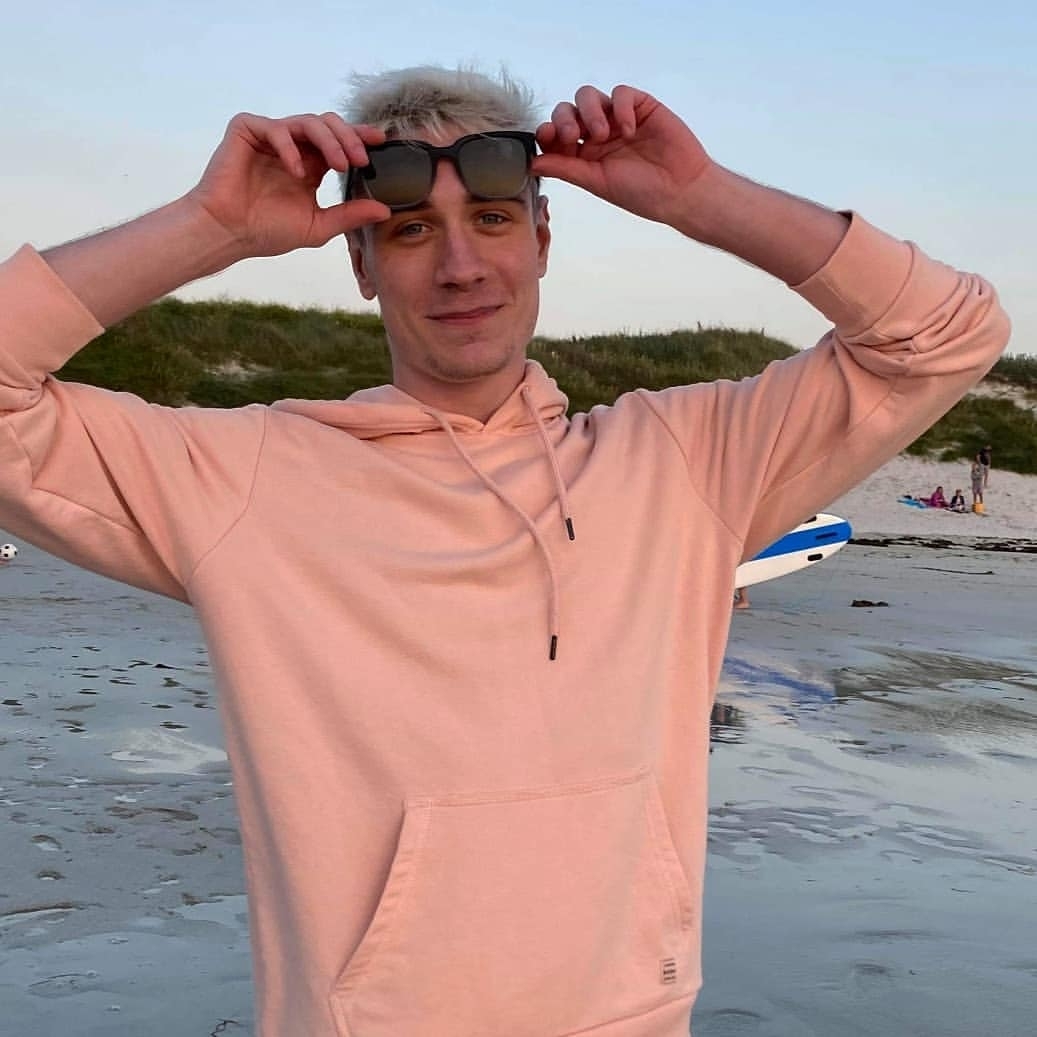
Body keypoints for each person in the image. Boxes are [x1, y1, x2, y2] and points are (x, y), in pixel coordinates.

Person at [0, 66, 1011, 1036]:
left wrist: (699, 197)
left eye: (491, 219)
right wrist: (208, 227)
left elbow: (943, 332)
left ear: (540, 236)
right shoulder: (244, 478)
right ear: (359, 264)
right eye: (409, 230)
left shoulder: (685, 460)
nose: (460, 266)